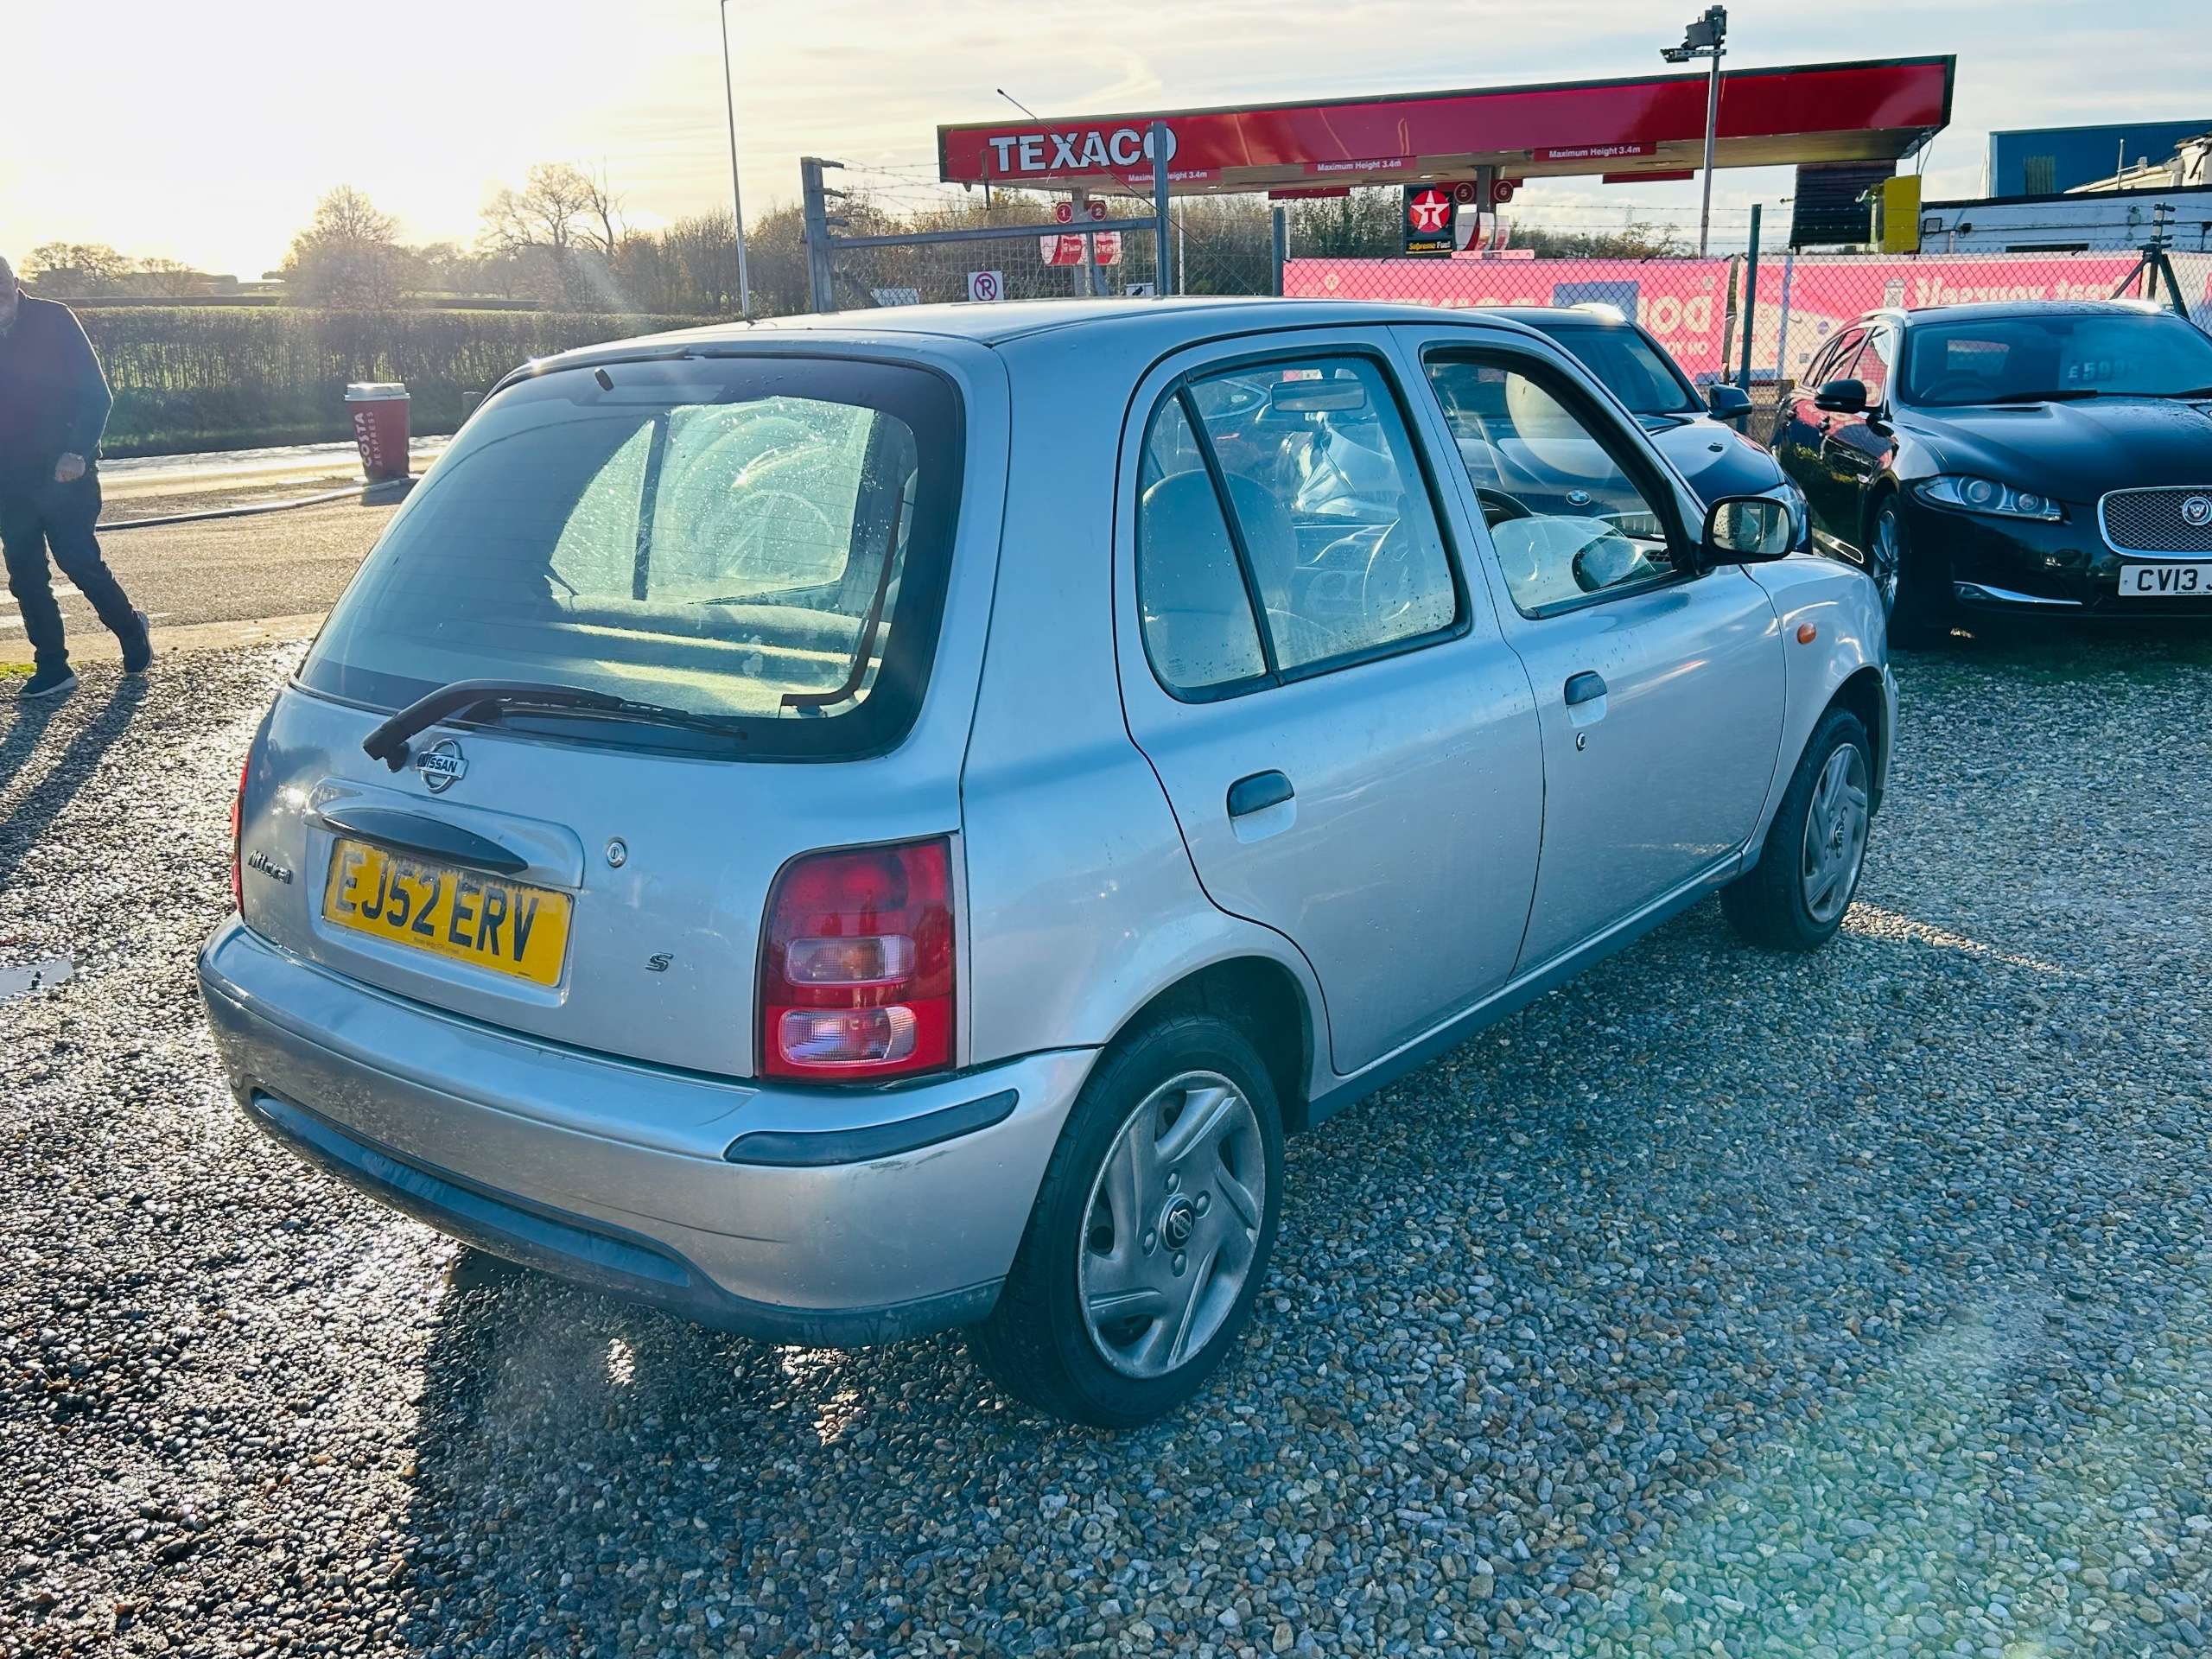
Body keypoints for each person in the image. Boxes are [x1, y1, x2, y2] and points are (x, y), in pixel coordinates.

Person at [0, 253, 150, 700]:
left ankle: (129, 628)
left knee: (78, 560)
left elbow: (95, 394)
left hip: (65, 469)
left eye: (2, 291)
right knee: (25, 574)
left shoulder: (53, 321)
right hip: (9, 478)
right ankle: (52, 665)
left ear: (15, 282)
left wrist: (77, 451)